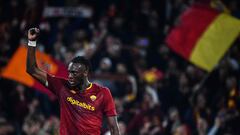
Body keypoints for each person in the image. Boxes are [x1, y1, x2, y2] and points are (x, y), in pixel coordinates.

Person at [26, 27, 120, 135]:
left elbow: (113, 127)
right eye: (69, 72)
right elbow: (32, 69)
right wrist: (32, 42)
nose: (70, 76)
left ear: (85, 72)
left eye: (74, 73)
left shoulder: (103, 93)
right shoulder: (62, 86)